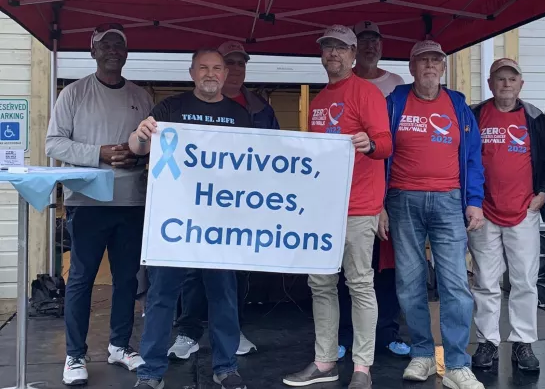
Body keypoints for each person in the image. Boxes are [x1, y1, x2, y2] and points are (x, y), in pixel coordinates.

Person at [130, 49, 251, 389]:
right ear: (191, 72)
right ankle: (150, 372)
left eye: (216, 68)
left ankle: (226, 367)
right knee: (162, 296)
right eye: (203, 68)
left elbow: (252, 166)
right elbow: (138, 147)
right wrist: (141, 133)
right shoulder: (170, 109)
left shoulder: (239, 114)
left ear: (226, 74)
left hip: (220, 220)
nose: (210, 74)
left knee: (223, 294)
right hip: (173, 219)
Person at [282, 25, 392, 389]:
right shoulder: (319, 100)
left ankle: (362, 368)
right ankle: (325, 361)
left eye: (341, 49)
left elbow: (386, 144)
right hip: (323, 207)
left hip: (359, 206)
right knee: (321, 284)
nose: (333, 54)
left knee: (360, 284)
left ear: (353, 54)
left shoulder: (367, 93)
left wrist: (369, 142)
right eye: (327, 48)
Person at [46, 23, 154, 386]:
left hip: (131, 202)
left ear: (126, 53)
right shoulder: (73, 94)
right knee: (81, 279)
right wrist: (100, 154)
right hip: (87, 202)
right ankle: (75, 355)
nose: (112, 51)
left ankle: (120, 346)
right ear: (93, 51)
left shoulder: (142, 96)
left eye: (118, 45)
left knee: (127, 279)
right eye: (105, 45)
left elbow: (152, 147)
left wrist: (136, 158)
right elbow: (54, 144)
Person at [167, 41, 279, 361]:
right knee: (192, 271)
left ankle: (232, 331)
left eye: (239, 64)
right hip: (193, 202)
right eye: (228, 63)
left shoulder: (259, 108)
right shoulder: (188, 104)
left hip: (239, 205)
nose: (234, 70)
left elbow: (274, 154)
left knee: (235, 272)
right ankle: (189, 332)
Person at [384, 40, 485, 389]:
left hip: (448, 200)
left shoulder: (457, 105)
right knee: (409, 282)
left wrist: (474, 199)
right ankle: (423, 354)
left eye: (435, 61)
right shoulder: (395, 101)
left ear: (443, 68)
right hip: (402, 198)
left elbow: (473, 156)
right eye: (422, 61)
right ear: (411, 67)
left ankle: (457, 363)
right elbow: (380, 152)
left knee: (455, 283)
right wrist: (379, 203)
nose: (429, 66)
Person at [469, 58, 545, 372]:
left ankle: (522, 342)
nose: (506, 84)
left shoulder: (535, 118)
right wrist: (471, 201)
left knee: (524, 283)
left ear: (521, 84)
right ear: (490, 84)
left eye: (511, 79)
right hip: (484, 212)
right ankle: (487, 342)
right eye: (499, 79)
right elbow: (464, 159)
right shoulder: (476, 115)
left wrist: (542, 194)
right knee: (486, 282)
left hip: (524, 211)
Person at [335, 20, 409, 361]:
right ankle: (346, 337)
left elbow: (392, 141)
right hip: (347, 193)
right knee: (348, 268)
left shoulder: (395, 84)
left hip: (387, 183)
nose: (369, 47)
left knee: (386, 264)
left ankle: (388, 332)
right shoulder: (338, 87)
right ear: (352, 51)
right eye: (362, 41)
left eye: (374, 41)